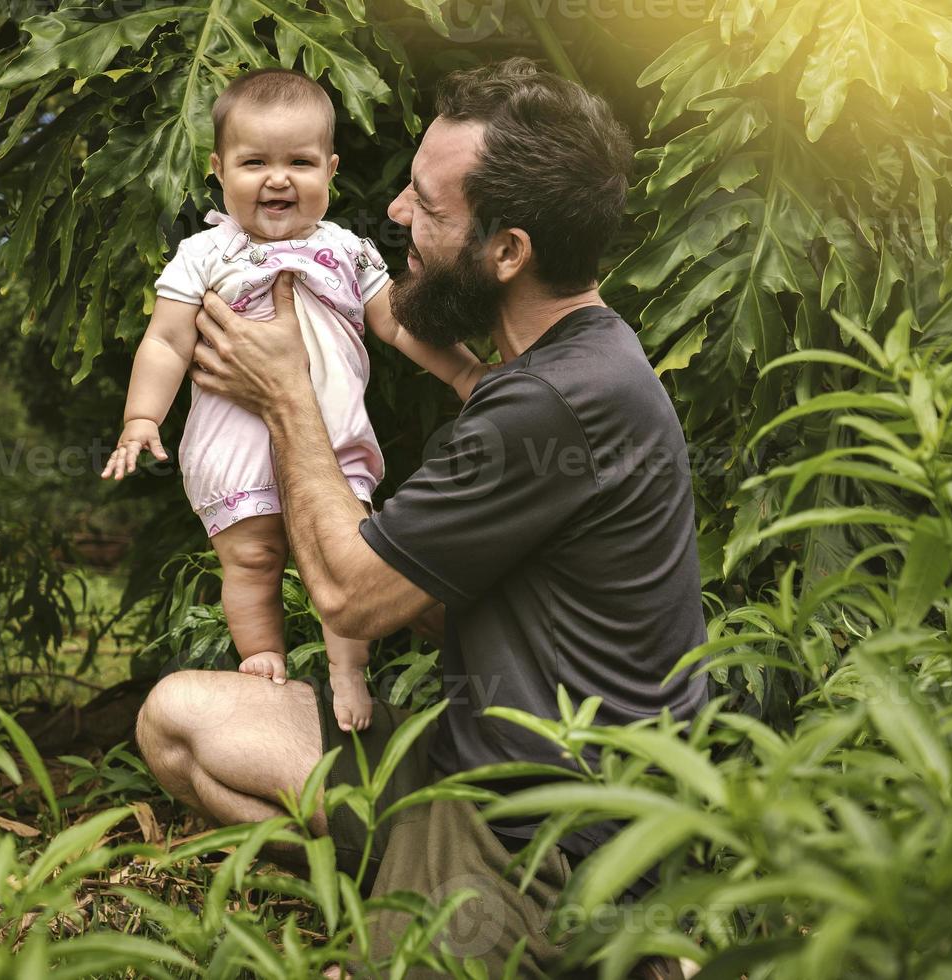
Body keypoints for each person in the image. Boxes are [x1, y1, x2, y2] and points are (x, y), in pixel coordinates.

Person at [134, 57, 706, 977]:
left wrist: (288, 399)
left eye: (428, 207)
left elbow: (353, 601)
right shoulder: (552, 368)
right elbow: (431, 599)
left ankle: (595, 945)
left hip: (547, 819)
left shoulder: (554, 402)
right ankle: (416, 884)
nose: (395, 213)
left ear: (507, 251)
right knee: (179, 721)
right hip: (465, 745)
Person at [102, 68, 486, 734]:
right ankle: (264, 661)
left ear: (331, 171)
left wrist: (464, 373)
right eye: (255, 162)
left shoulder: (346, 251)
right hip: (237, 446)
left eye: (300, 162)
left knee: (349, 554)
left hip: (329, 440)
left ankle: (346, 670)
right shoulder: (203, 255)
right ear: (218, 170)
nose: (278, 178)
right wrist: (142, 418)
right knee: (251, 561)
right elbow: (165, 342)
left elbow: (396, 321)